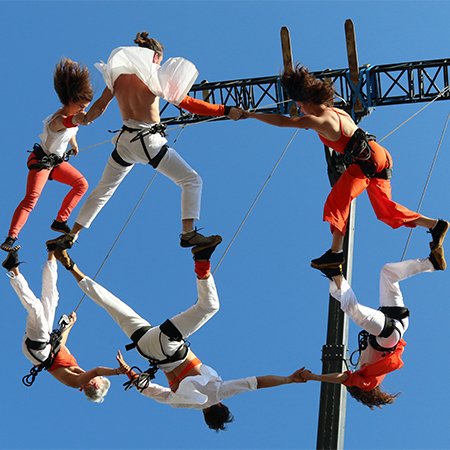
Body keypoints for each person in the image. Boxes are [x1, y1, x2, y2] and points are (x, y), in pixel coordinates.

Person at [52, 238, 307, 431]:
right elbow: (148, 390)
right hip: (145, 349)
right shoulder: (180, 403)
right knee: (111, 305)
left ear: (219, 407)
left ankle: (201, 261)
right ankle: (72, 267)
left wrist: (288, 379)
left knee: (209, 307)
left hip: (168, 346)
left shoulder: (218, 393)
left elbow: (256, 382)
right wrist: (128, 370)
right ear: (205, 415)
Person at [240, 64, 448, 270]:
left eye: (300, 106)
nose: (300, 111)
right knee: (385, 210)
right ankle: (434, 225)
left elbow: (283, 122)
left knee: (337, 199)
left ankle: (335, 253)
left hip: (367, 161)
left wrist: (250, 115)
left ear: (309, 102)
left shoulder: (319, 120)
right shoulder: (337, 112)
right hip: (379, 155)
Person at [59, 31, 242, 251]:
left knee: (103, 189)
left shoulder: (116, 77)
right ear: (155, 57)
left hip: (124, 141)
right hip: (147, 141)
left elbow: (99, 107)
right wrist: (224, 110)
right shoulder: (154, 75)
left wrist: (85, 119)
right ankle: (188, 233)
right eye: (161, 60)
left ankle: (72, 234)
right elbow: (188, 103)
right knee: (191, 180)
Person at [299, 248, 444, 409]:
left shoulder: (369, 373)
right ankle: (334, 270)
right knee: (353, 309)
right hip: (387, 337)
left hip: (397, 322)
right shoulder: (367, 383)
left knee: (388, 273)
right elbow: (342, 378)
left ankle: (431, 263)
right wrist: (314, 377)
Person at [2, 246, 127, 402]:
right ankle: (52, 253)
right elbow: (60, 345)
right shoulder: (75, 365)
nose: (99, 376)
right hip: (46, 344)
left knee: (36, 309)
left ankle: (13, 269)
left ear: (96, 386)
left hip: (39, 352)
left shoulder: (77, 382)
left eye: (100, 379)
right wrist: (70, 326)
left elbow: (97, 370)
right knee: (52, 298)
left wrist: (117, 371)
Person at [1, 58, 92, 252]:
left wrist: (74, 144)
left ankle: (60, 220)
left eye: (85, 107)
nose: (83, 110)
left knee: (81, 184)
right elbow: (68, 123)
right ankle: (11, 236)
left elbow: (71, 132)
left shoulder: (73, 119)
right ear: (71, 101)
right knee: (31, 198)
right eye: (81, 106)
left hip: (57, 163)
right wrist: (79, 119)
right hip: (42, 161)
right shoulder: (57, 119)